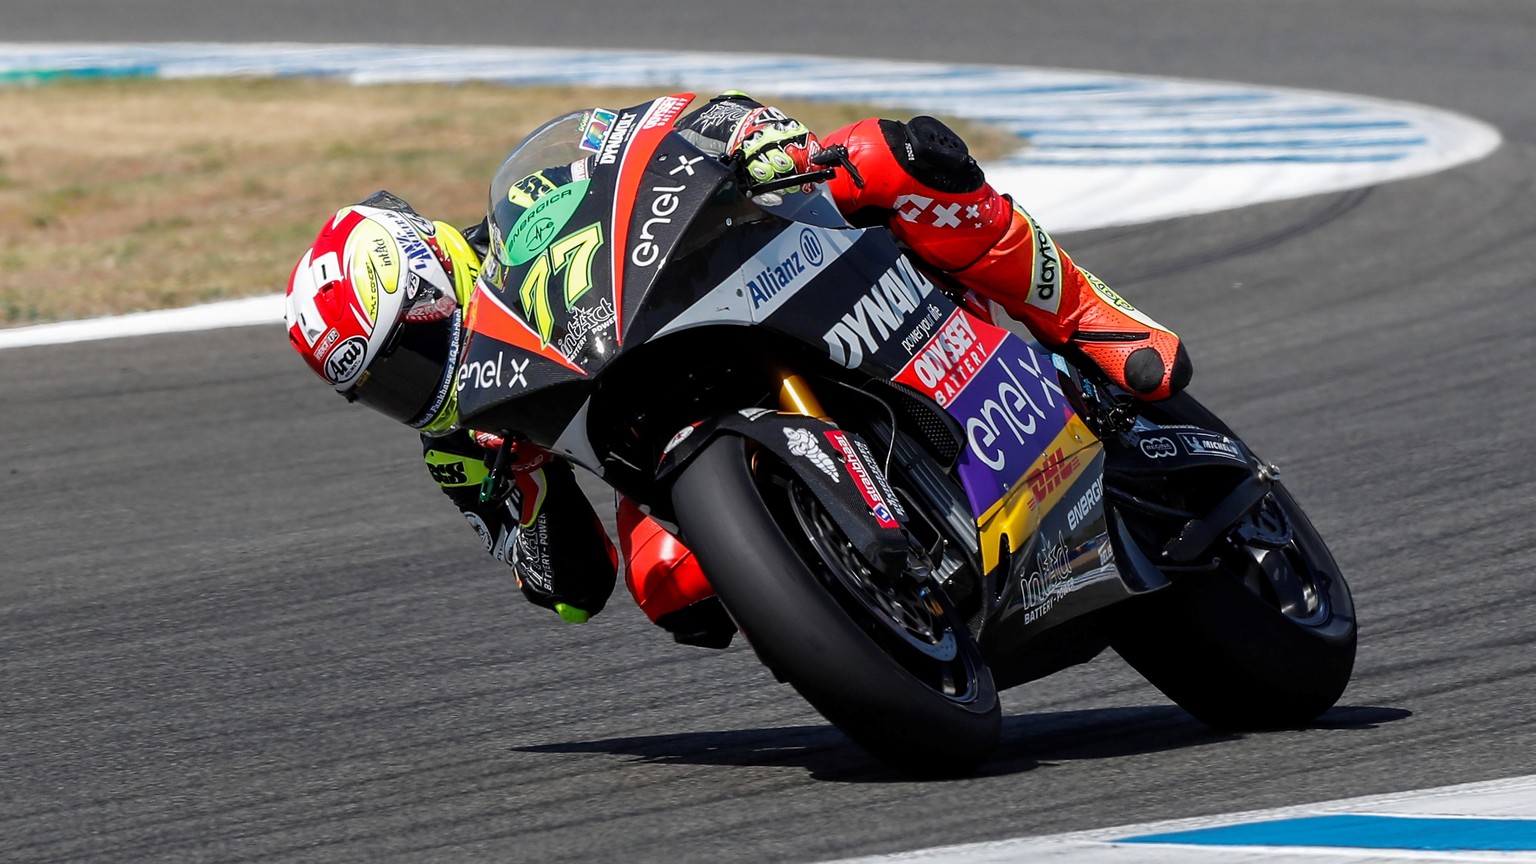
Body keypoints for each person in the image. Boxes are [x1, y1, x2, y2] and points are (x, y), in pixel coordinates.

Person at [283, 92, 1192, 647]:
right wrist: (517, 500)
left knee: (890, 153)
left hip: (762, 272)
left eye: (413, 343)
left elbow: (651, 130)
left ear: (437, 267)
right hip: (664, 428)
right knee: (670, 586)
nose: (418, 378)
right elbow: (574, 591)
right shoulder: (466, 437)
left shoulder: (532, 201)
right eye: (388, 384)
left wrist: (754, 135)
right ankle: (845, 595)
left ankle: (1091, 319)